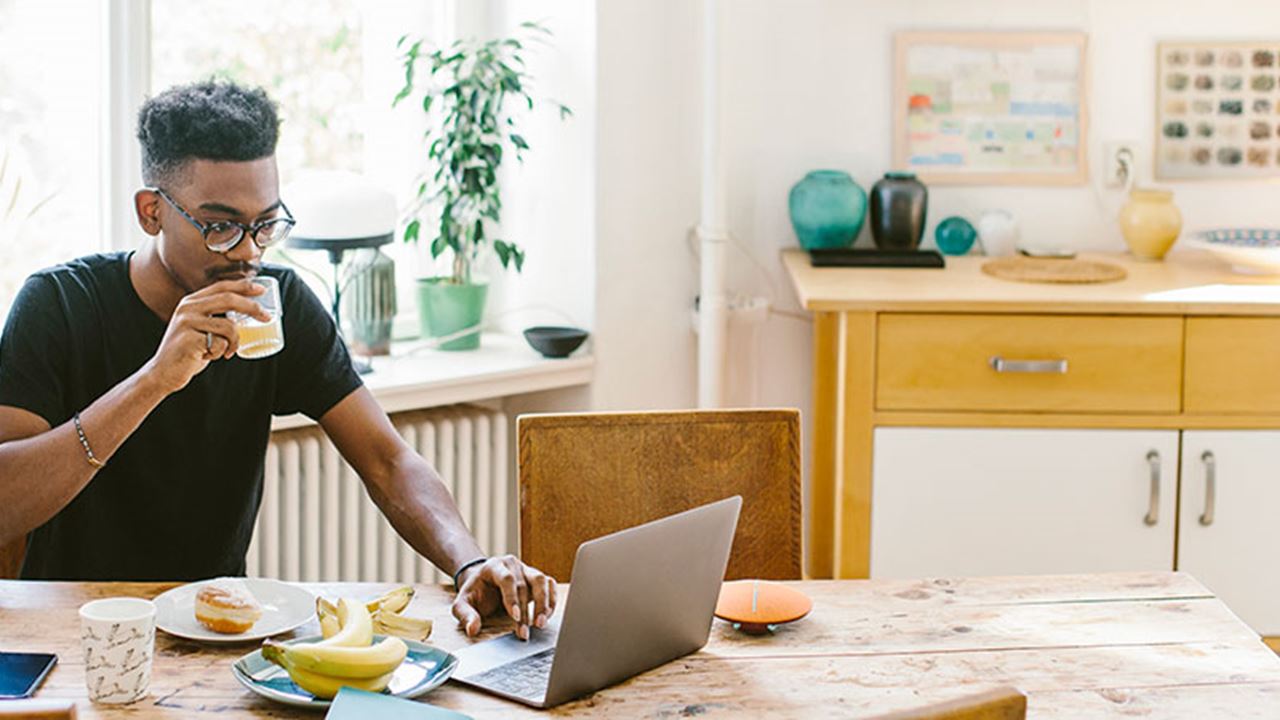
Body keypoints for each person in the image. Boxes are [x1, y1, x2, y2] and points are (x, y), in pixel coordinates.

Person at [0, 80, 551, 640]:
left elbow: (387, 460)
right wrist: (155, 380)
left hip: (218, 627)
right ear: (151, 212)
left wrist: (469, 562)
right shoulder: (59, 305)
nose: (247, 252)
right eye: (219, 227)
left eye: (265, 224)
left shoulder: (281, 303)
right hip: (74, 626)